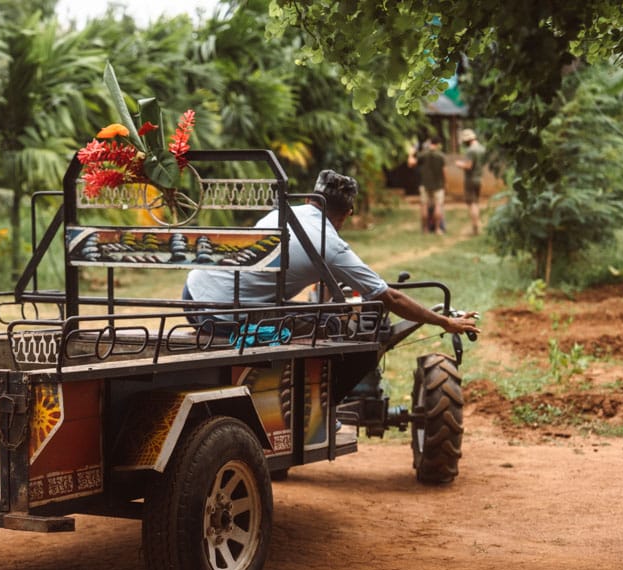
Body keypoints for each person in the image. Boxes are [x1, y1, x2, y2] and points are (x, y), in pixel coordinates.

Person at [184, 169, 479, 400]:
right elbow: (391, 299)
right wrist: (443, 322)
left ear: (311, 199)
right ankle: (322, 403)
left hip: (192, 295)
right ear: (348, 214)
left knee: (309, 316)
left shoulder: (283, 212)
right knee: (331, 327)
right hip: (222, 318)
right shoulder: (330, 245)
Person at [407, 137, 447, 234]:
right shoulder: (441, 156)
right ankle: (437, 229)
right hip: (438, 185)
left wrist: (411, 154)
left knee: (424, 206)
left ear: (430, 143)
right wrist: (446, 183)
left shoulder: (423, 155)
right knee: (438, 206)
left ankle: (425, 229)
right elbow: (444, 171)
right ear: (438, 144)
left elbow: (411, 164)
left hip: (424, 185)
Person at [455, 129, 486, 235]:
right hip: (479, 178)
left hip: (470, 179)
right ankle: (478, 225)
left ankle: (475, 227)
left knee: (471, 204)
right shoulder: (482, 149)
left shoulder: (471, 151)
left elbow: (468, 166)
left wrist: (459, 164)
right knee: (476, 203)